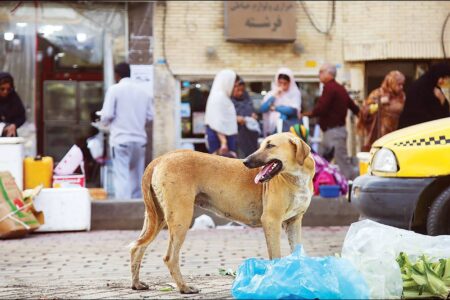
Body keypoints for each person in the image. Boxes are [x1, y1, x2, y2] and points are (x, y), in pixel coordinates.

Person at [99, 62, 153, 199]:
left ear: (117, 75)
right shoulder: (144, 92)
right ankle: (137, 207)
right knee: (137, 175)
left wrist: (104, 123)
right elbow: (151, 116)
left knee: (122, 175)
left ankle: (123, 207)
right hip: (140, 141)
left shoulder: (114, 90)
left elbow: (106, 115)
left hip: (121, 140)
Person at [303, 63, 360, 180]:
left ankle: (351, 186)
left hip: (334, 132)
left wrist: (306, 114)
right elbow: (354, 107)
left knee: (341, 162)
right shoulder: (340, 88)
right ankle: (319, 182)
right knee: (321, 159)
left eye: (321, 72)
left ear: (329, 74)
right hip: (333, 132)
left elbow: (321, 108)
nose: (319, 75)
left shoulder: (330, 88)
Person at [357, 71, 406, 151]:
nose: (401, 87)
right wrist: (379, 104)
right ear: (391, 83)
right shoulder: (378, 93)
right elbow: (364, 111)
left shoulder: (401, 96)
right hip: (378, 134)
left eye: (402, 84)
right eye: (398, 84)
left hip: (395, 133)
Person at [399, 62, 450, 128]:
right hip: (416, 131)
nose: (442, 81)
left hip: (419, 129)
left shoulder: (432, 86)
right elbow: (433, 115)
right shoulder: (422, 88)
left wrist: (442, 100)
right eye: (444, 77)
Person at [204, 69, 239, 157]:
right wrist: (224, 142)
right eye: (233, 84)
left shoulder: (221, 96)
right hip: (220, 140)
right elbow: (216, 123)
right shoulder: (219, 98)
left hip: (224, 138)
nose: (234, 87)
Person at [260, 67, 301, 137]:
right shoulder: (272, 93)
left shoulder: (294, 93)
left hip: (289, 129)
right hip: (272, 130)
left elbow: (292, 111)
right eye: (280, 82)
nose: (282, 85)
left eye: (285, 83)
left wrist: (275, 108)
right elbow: (263, 109)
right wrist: (274, 96)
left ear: (290, 83)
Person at [231, 78, 260, 158]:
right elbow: (223, 116)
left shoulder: (247, 98)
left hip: (250, 134)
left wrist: (254, 115)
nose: (240, 93)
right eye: (237, 90)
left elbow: (252, 109)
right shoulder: (228, 101)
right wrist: (235, 118)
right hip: (237, 135)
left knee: (252, 156)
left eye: (242, 90)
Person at [0, 72, 26, 137]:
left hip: (9, 135)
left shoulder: (13, 98)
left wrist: (14, 125)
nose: (5, 92)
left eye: (8, 89)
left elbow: (22, 116)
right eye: (2, 89)